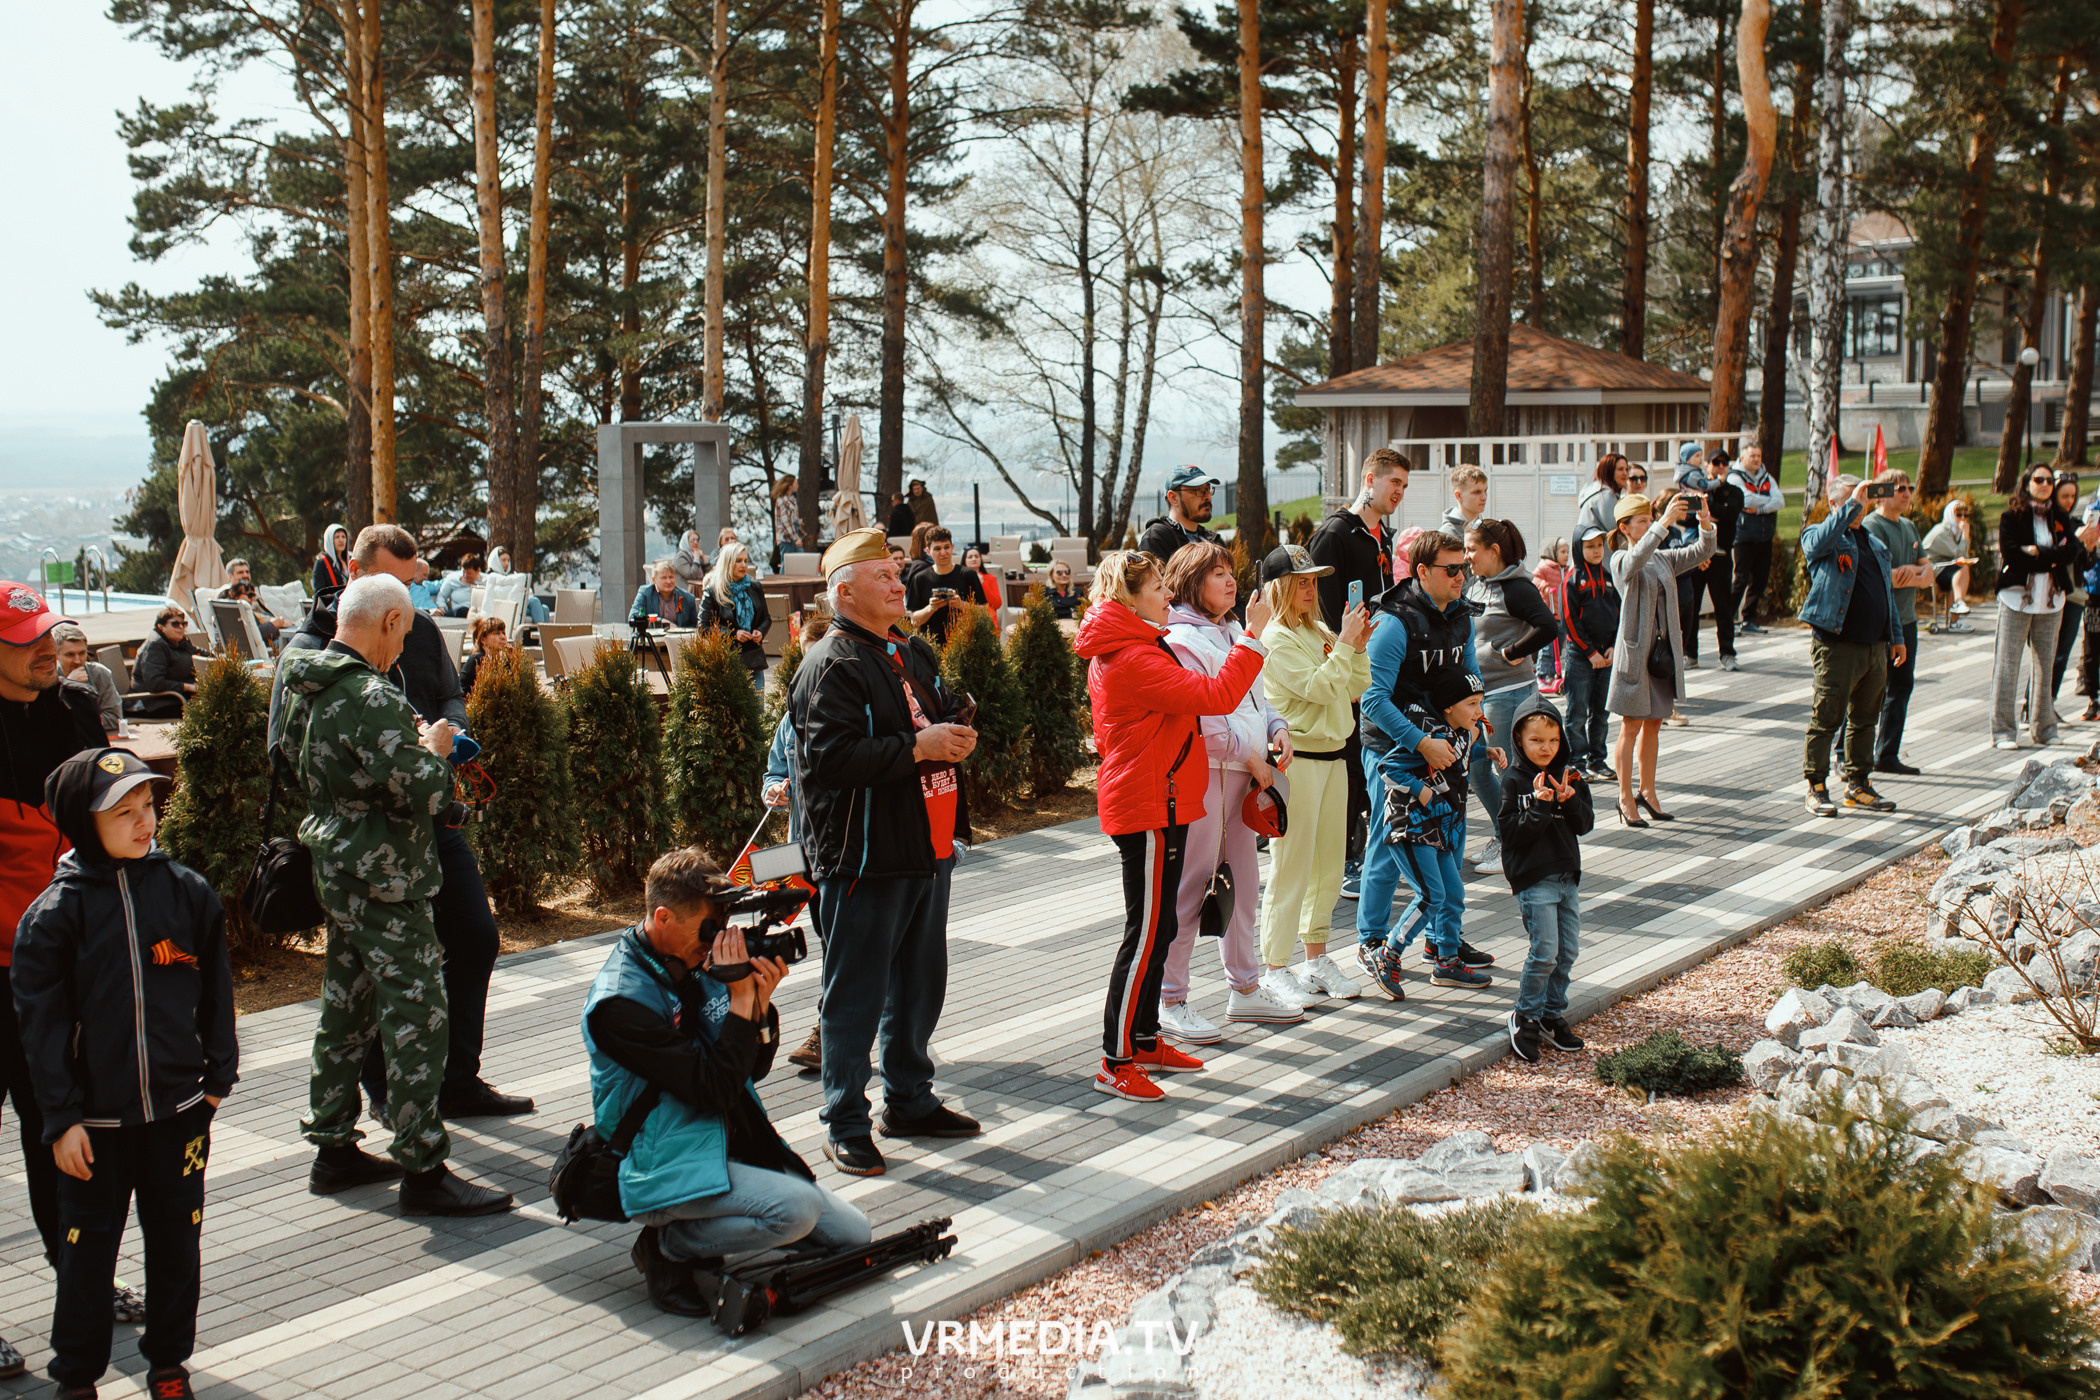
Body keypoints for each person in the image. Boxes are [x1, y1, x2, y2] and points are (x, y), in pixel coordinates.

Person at [276, 527, 535, 1129]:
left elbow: (449, 694)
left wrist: (442, 735)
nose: (415, 608)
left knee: (471, 939)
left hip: (426, 831)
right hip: (378, 846)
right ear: (359, 575)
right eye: (403, 587)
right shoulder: (313, 652)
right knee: (396, 995)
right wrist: (419, 759)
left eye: (416, 581)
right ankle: (402, 1115)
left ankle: (453, 1082)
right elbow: (292, 755)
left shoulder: (408, 632)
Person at [14, 748, 238, 1400]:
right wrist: (59, 1120)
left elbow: (215, 994)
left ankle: (168, 1367)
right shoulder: (55, 917)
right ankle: (75, 1378)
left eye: (149, 807)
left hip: (177, 1116)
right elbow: (42, 1032)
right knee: (86, 1259)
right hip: (95, 1128)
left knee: (177, 1249)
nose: (146, 823)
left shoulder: (185, 892)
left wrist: (216, 1081)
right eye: (124, 812)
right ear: (84, 824)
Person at [584, 848, 871, 1316]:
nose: (718, 939)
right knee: (795, 1211)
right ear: (662, 917)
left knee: (853, 1235)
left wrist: (758, 1002)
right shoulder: (620, 1003)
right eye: (708, 927)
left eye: (722, 924)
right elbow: (713, 1088)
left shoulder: (696, 962)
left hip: (722, 1143)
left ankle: (711, 1222)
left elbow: (751, 1069)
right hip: (661, 1163)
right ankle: (668, 1246)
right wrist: (739, 999)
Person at [789, 529, 983, 1176]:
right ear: (844, 592)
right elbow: (828, 759)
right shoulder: (831, 663)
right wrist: (919, 750)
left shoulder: (911, 651)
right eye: (884, 576)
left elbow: (931, 716)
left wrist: (955, 730)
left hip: (927, 846)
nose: (902, 584)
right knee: (855, 996)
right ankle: (844, 1121)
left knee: (920, 985)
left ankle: (909, 1099)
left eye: (899, 573)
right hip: (863, 856)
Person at [1074, 550, 1270, 1102]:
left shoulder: (1141, 645)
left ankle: (1144, 1037)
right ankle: (1115, 1060)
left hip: (1166, 801)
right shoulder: (1132, 656)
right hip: (1147, 806)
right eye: (1158, 586)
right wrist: (1250, 639)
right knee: (1143, 935)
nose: (1167, 594)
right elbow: (1215, 696)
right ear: (1129, 597)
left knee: (1161, 928)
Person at [0, 583, 114, 1368]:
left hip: (63, 968)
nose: (46, 646)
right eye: (24, 638)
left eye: (47, 631)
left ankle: (81, 1279)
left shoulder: (74, 709)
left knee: (61, 1131)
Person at [1158, 542, 1304, 1040]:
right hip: (1207, 778)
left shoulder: (1235, 632)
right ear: (1189, 582)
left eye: (1229, 572)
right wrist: (1254, 755)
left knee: (1242, 886)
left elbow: (1257, 700)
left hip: (1242, 775)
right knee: (1192, 888)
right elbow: (1204, 723)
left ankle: (1244, 990)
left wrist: (1278, 728)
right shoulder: (1180, 640)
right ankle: (1170, 998)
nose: (1229, 581)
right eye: (1216, 573)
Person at [1356, 531, 1495, 999]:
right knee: (1386, 844)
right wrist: (1420, 742)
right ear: (1422, 572)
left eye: (1465, 568)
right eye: (1451, 569)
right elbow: (1371, 700)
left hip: (1446, 749)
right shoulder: (1394, 622)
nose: (1461, 577)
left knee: (1451, 844)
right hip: (1394, 750)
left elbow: (1470, 679)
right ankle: (1373, 941)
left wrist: (1476, 727)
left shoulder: (1461, 616)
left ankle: (1442, 943)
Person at [1254, 545, 1375, 1016]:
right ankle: (1274, 967)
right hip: (1297, 760)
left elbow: (1354, 686)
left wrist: (1355, 646)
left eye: (1313, 580)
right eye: (1301, 581)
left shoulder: (1319, 630)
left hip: (1332, 756)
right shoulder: (1279, 637)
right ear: (1280, 586)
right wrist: (1346, 646)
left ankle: (1315, 958)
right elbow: (1324, 687)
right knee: (1291, 867)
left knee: (1327, 865)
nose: (1310, 588)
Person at [1307, 447, 1407, 902]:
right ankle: (1345, 860)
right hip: (1343, 666)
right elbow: (1322, 609)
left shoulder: (1381, 535)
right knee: (1347, 761)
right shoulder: (1335, 534)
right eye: (1394, 484)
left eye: (1405, 486)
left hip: (1375, 664)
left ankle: (1365, 850)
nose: (1399, 493)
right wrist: (1342, 663)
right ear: (1370, 478)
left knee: (1367, 758)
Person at [1373, 666, 1499, 996]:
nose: (1478, 711)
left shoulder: (1461, 729)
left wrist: (1486, 751)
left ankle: (1446, 962)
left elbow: (1458, 757)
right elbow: (1387, 767)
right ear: (1447, 706)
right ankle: (1389, 955)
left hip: (1442, 826)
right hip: (1412, 826)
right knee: (1431, 895)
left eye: (1481, 702)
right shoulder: (1426, 732)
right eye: (1471, 703)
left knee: (1452, 894)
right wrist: (1422, 791)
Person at [1605, 491, 1716, 827]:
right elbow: (1634, 562)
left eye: (1650, 519)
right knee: (1632, 726)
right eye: (1643, 521)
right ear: (1625, 527)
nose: (1650, 524)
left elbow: (1703, 551)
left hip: (1662, 657)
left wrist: (1705, 521)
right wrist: (1665, 523)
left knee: (1654, 723)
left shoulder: (1662, 557)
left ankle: (1647, 791)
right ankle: (1624, 797)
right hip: (1637, 658)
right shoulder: (1621, 558)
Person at [1796, 474, 1904, 815]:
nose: (1860, 507)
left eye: (1863, 500)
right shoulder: (1819, 535)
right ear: (1834, 505)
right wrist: (1853, 502)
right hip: (1837, 643)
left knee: (1865, 718)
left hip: (1875, 646)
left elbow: (1888, 595)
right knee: (1827, 716)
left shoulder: (1875, 544)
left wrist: (1896, 637)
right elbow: (1816, 545)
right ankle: (1816, 786)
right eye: (1851, 500)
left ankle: (1859, 784)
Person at [1495, 697, 1592, 1063]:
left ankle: (1552, 1013)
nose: (1545, 748)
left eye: (1552, 740)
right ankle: (1526, 1015)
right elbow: (1512, 835)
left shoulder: (1569, 774)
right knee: (1544, 951)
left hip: (1567, 876)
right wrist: (1539, 806)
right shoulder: (1514, 781)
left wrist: (1567, 800)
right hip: (1534, 878)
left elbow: (1585, 824)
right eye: (1536, 740)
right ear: (1519, 738)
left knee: (1567, 952)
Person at [1463, 518, 1557, 877]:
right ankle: (1505, 833)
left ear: (1494, 551)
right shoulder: (1479, 584)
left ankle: (1515, 843)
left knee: (1508, 772)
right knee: (1476, 768)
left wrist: (1514, 651)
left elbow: (1548, 625)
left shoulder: (1517, 587)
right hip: (1479, 697)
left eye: (1472, 549)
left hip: (1506, 695)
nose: (1467, 557)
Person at [763, 612, 830, 1073]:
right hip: (799, 850)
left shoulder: (849, 713)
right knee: (827, 938)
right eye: (804, 666)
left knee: (840, 942)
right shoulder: (791, 717)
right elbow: (773, 772)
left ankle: (828, 1030)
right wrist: (774, 789)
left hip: (845, 851)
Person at [1989, 463, 2090, 751]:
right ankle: (2003, 732)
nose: (2045, 484)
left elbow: (2070, 552)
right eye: (2039, 479)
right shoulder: (2013, 517)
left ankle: (2045, 727)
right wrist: (2050, 557)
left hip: (2051, 599)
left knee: (2046, 665)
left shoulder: (2060, 517)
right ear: (2027, 482)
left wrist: (2039, 553)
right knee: (2007, 664)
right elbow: (2012, 555)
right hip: (2017, 598)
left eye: (2049, 480)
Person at [1861, 469, 1934, 776]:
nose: (1906, 493)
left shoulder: (1909, 526)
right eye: (1899, 488)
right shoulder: (1872, 526)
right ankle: (1851, 754)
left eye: (1909, 487)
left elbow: (1928, 575)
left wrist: (1910, 575)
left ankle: (1887, 753)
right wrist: (1907, 575)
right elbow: (1879, 575)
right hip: (1879, 623)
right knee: (1869, 690)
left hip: (1907, 621)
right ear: (1881, 493)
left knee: (1902, 686)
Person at [1559, 526, 1620, 780]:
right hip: (1581, 658)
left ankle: (1598, 760)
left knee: (1601, 712)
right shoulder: (1572, 580)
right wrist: (1590, 651)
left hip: (1606, 657)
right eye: (1590, 546)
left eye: (1599, 545)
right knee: (1577, 713)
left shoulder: (1608, 576)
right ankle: (1576, 762)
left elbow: (1618, 613)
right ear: (1578, 548)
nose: (1596, 551)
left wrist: (1612, 646)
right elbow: (1569, 621)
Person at [1680, 445, 1744, 671]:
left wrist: (1704, 507)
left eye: (1724, 463)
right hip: (1697, 558)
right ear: (1706, 465)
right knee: (1690, 606)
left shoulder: (1734, 492)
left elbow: (1729, 515)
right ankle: (1690, 654)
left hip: (1721, 556)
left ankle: (1727, 653)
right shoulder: (1693, 489)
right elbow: (1685, 520)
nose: (1719, 467)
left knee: (1723, 608)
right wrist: (1707, 510)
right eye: (1715, 463)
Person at [700, 542, 773, 693]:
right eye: (738, 561)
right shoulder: (713, 592)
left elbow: (767, 618)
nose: (743, 565)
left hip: (754, 658)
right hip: (727, 660)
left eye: (745, 561)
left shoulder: (755, 587)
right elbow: (703, 628)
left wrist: (760, 632)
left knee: (758, 711)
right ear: (728, 562)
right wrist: (733, 634)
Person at [1728, 445, 1785, 632]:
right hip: (1743, 536)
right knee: (1740, 579)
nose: (1756, 459)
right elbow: (1745, 500)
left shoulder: (1767, 477)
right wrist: (1767, 499)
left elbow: (1780, 501)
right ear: (1742, 458)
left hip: (1764, 536)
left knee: (1759, 581)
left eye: (1759, 455)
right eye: (1752, 456)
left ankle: (1748, 619)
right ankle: (1727, 620)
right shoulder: (1735, 476)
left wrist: (1760, 507)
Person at [903, 527, 986, 647]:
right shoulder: (920, 579)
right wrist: (931, 608)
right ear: (928, 551)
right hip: (932, 646)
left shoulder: (968, 575)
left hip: (966, 643)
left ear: (952, 547)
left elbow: (983, 611)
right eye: (937, 548)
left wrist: (961, 604)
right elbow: (914, 620)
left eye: (946, 547)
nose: (943, 552)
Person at [2051, 471, 2089, 701]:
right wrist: (2075, 541)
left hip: (2075, 596)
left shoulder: (2075, 523)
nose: (2069, 501)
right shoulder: (2046, 524)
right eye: (2064, 496)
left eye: (2072, 496)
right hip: (2051, 594)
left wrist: (2089, 545)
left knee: (2062, 654)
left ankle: (2049, 704)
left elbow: (2084, 563)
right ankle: (2031, 705)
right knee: (2048, 654)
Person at [130, 607, 208, 716]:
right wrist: (187, 686)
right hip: (153, 702)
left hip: (174, 697)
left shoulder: (179, 642)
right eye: (175, 624)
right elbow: (155, 682)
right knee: (213, 707)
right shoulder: (155, 646)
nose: (180, 627)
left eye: (183, 624)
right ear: (160, 627)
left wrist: (220, 659)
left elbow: (199, 652)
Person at [1138, 466, 1224, 563]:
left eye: (1208, 489)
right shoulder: (1157, 538)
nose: (1207, 497)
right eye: (1197, 490)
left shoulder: (1214, 541)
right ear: (1173, 497)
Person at [51, 625, 121, 734]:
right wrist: (69, 686)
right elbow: (51, 722)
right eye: (70, 655)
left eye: (82, 653)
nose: (77, 661)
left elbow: (114, 718)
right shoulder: (48, 678)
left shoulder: (100, 674)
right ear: (56, 655)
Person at [1921, 498, 1978, 629]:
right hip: (1933, 569)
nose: (1962, 519)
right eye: (1959, 515)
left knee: (1960, 572)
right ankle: (1958, 603)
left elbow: (1963, 557)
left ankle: (1955, 620)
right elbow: (1958, 554)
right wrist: (1965, 535)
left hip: (1946, 566)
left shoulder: (1955, 532)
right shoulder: (1941, 531)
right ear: (1950, 515)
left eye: (1965, 515)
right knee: (1962, 569)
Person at [1531, 537, 1567, 692]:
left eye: (1567, 552)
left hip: (1561, 615)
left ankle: (1553, 675)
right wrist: (1544, 586)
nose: (1566, 555)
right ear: (1553, 552)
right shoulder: (1545, 567)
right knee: (1548, 648)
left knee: (1558, 646)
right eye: (1563, 551)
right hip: (1549, 613)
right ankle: (1542, 675)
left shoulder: (1565, 569)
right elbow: (1534, 578)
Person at [488, 546, 550, 625]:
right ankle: (542, 634)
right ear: (495, 561)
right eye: (503, 560)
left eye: (508, 560)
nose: (507, 563)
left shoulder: (513, 576)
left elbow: (528, 591)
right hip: (509, 607)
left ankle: (543, 636)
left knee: (545, 608)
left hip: (522, 603)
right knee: (535, 601)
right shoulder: (492, 578)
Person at [631, 559, 700, 629]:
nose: (668, 581)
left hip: (678, 638)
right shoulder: (645, 593)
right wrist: (660, 621)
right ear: (654, 580)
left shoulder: (688, 598)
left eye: (671, 577)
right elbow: (633, 617)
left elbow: (694, 626)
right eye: (664, 578)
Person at [1574, 454, 1629, 541]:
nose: (1625, 473)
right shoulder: (1605, 495)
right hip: (1602, 553)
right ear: (1609, 472)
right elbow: (1616, 530)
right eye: (1620, 469)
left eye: (1626, 469)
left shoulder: (1596, 492)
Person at [457, 615, 510, 697]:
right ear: (483, 639)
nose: (503, 637)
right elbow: (461, 688)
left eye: (503, 633)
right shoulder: (476, 660)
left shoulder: (504, 661)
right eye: (497, 633)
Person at [223, 578, 281, 648]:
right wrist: (273, 625)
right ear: (237, 597)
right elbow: (252, 634)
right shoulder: (241, 614)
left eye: (253, 595)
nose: (253, 598)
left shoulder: (227, 613)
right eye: (250, 595)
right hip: (265, 648)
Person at [1442, 464, 1488, 537]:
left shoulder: (1486, 528)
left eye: (1485, 491)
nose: (1484, 497)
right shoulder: (1448, 534)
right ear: (1459, 496)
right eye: (1477, 492)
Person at [311, 522, 350, 599]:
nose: (341, 540)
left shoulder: (349, 560)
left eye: (343, 536)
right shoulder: (322, 562)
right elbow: (319, 591)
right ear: (330, 540)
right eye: (337, 537)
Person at [965, 546, 1004, 617]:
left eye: (977, 556)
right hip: (967, 619)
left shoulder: (990, 578)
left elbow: (997, 604)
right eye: (970, 557)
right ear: (964, 561)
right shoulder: (961, 578)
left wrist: (982, 584)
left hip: (987, 619)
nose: (974, 559)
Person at [774, 475, 804, 552]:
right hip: (786, 538)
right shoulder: (782, 500)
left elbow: (791, 519)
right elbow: (786, 522)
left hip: (792, 535)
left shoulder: (792, 499)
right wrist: (796, 538)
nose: (797, 485)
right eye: (795, 483)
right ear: (790, 486)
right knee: (788, 562)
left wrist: (799, 522)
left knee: (799, 560)